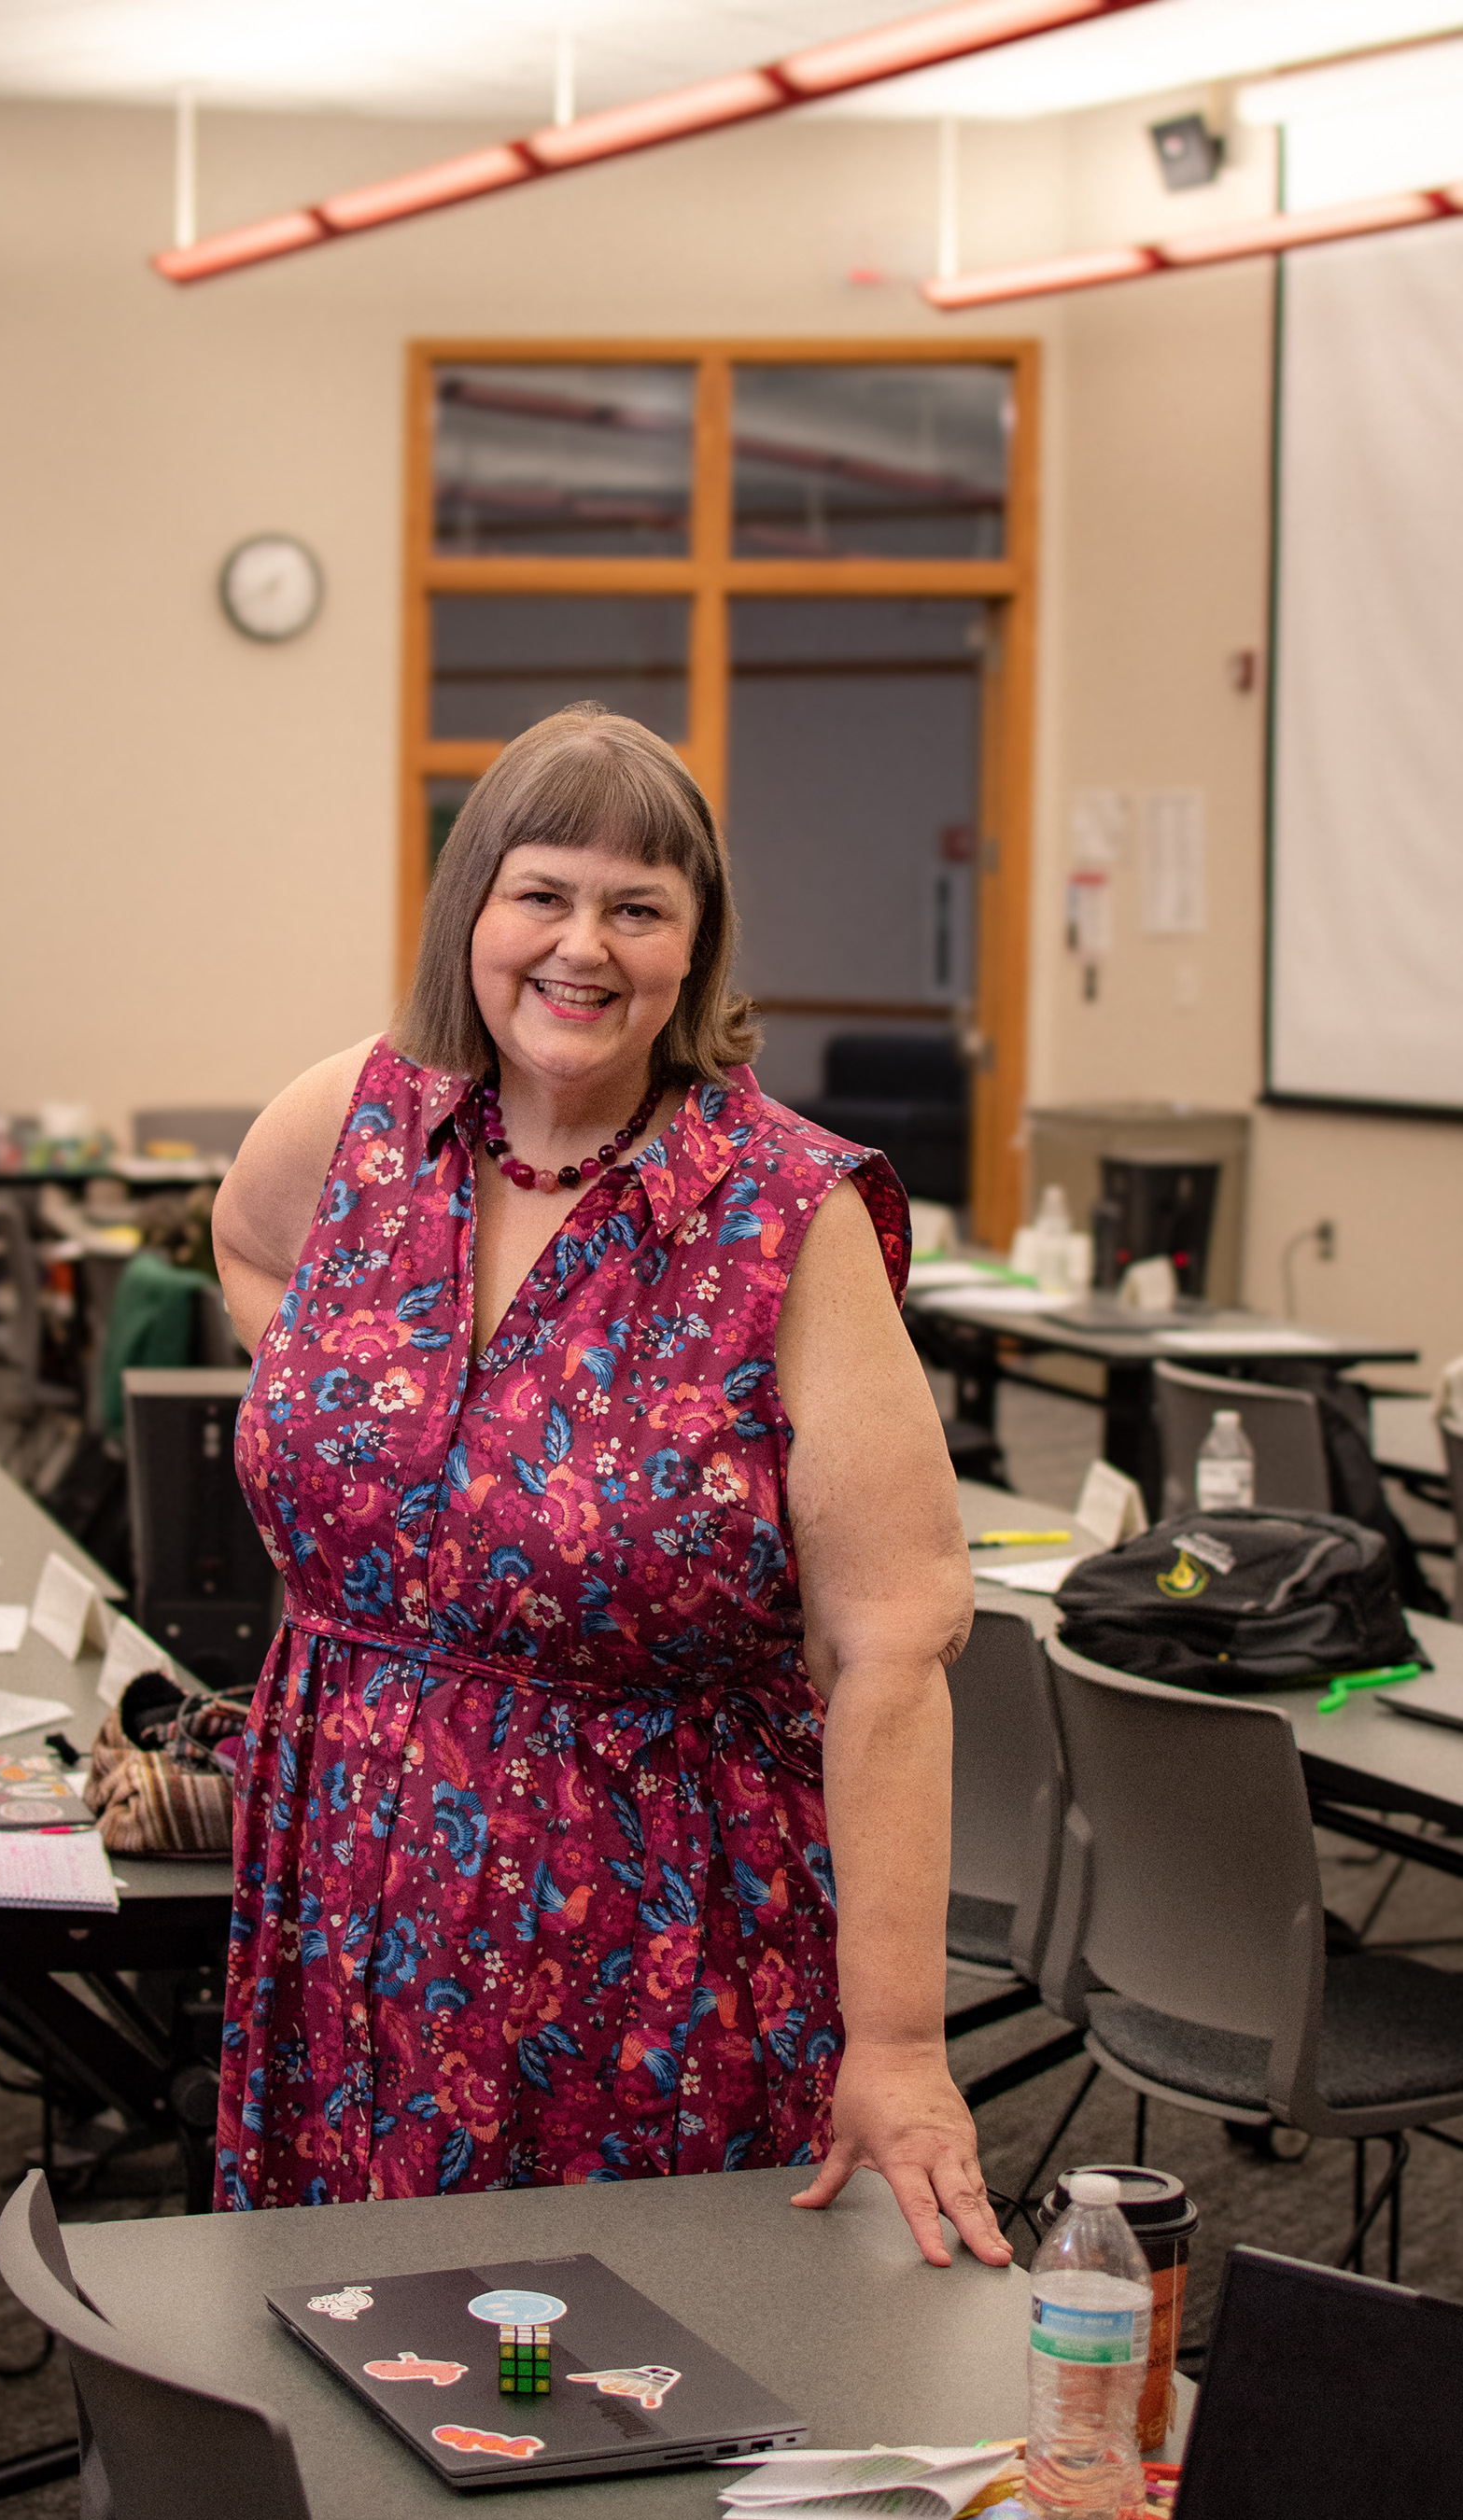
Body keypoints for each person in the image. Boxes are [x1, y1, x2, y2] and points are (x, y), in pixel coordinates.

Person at [211, 703, 1009, 2272]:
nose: (584, 947)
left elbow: (895, 1642)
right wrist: (366, 1444)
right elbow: (247, 1246)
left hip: (640, 1944)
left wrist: (902, 2044)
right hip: (341, 1881)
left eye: (638, 910)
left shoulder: (782, 1214)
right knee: (344, 2374)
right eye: (545, 896)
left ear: (693, 951)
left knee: (620, 2400)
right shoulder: (366, 1116)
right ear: (474, 916)